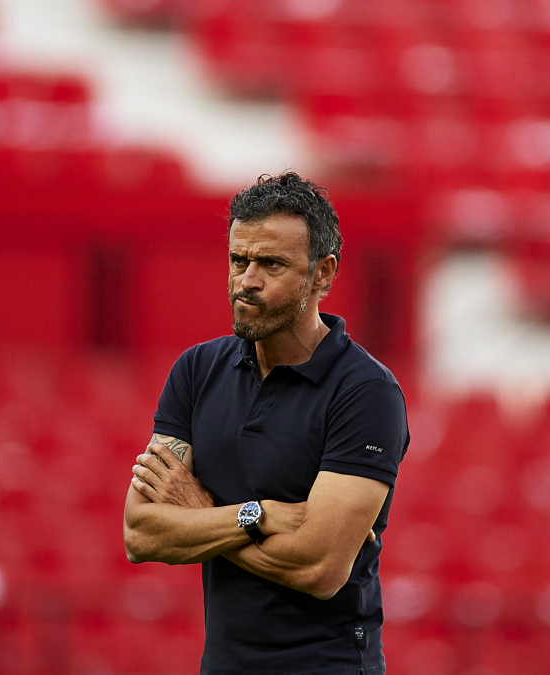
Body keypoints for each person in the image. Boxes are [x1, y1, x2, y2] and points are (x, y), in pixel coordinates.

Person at [122, 172, 409, 675]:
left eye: (271, 264)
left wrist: (202, 513)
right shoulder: (196, 370)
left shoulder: (367, 393)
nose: (246, 281)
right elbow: (141, 535)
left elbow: (320, 568)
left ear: (323, 273)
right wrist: (262, 514)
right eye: (239, 260)